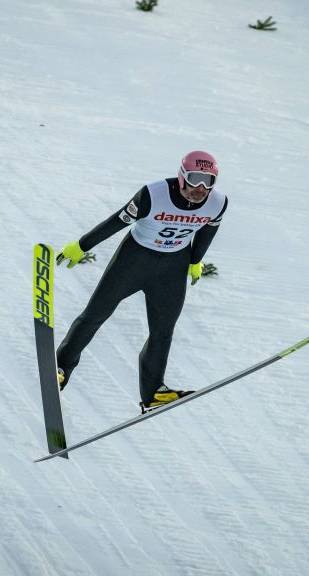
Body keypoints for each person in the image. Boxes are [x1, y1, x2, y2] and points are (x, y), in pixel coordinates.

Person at [55, 150, 228, 412]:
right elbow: (117, 222)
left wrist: (195, 261)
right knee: (95, 315)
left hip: (172, 268)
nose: (201, 188)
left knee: (163, 332)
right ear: (182, 176)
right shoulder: (153, 194)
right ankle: (60, 367)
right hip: (134, 260)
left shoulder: (217, 203)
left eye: (209, 181)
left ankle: (153, 392)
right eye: (195, 179)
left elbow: (207, 233)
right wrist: (82, 245)